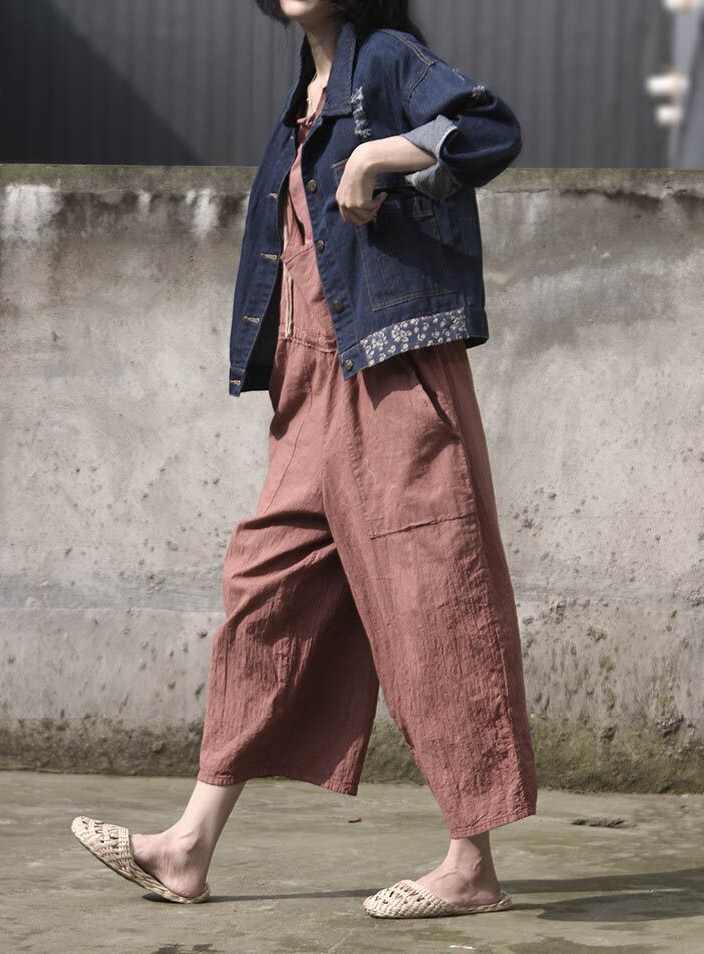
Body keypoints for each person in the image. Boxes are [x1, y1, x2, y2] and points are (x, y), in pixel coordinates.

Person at [71, 0, 537, 920]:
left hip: (390, 376)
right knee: (264, 592)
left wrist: (377, 155)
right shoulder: (303, 98)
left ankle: (470, 865)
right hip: (309, 386)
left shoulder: (389, 62)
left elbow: (489, 129)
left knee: (431, 601)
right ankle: (187, 849)